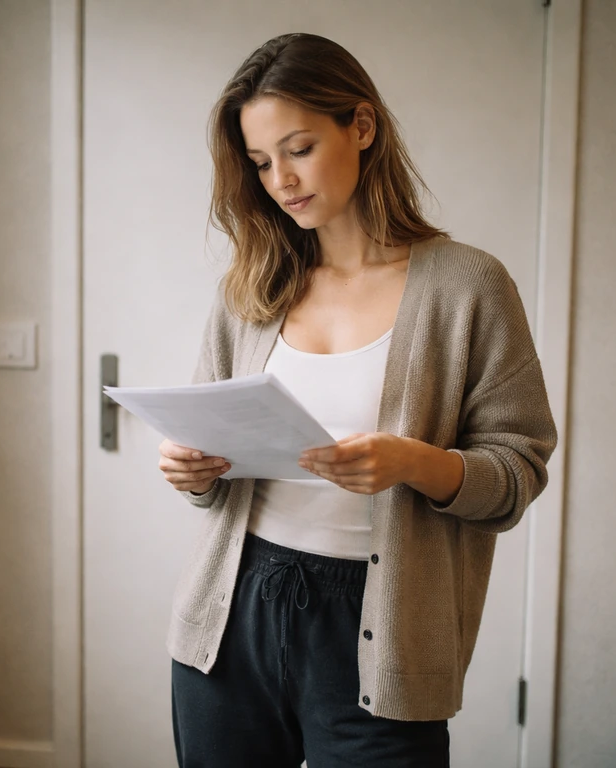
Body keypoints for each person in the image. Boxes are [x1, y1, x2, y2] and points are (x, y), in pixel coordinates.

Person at [157, 32, 557, 768]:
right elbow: (218, 478)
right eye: (260, 161)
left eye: (298, 148)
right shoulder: (249, 289)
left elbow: (519, 471)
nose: (280, 179)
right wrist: (195, 473)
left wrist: (415, 463)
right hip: (232, 612)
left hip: (379, 626)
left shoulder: (468, 286)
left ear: (362, 127)